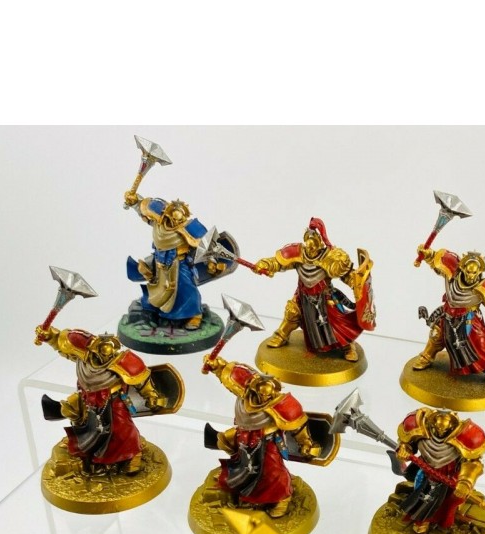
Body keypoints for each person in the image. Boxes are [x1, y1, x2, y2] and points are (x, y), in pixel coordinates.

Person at [202, 356, 320, 517]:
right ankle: (239, 479)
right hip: (243, 435)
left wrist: (306, 442)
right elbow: (227, 373)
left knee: (273, 472)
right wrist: (216, 365)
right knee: (226, 443)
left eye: (268, 396)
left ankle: (282, 499)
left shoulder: (282, 404)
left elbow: (297, 426)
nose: (264, 398)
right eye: (261, 394)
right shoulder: (245, 391)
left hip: (267, 441)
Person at [36, 325, 164, 473]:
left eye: (108, 355)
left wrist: (152, 396)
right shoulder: (84, 357)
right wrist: (49, 335)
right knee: (74, 413)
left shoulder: (124, 362)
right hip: (86, 398)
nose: (103, 358)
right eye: (100, 354)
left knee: (123, 429)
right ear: (94, 350)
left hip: (112, 400)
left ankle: (133, 456)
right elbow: (62, 343)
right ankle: (89, 453)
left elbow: (142, 380)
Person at [253, 218, 374, 361]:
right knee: (292, 312)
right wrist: (265, 264)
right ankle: (281, 335)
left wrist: (356, 284)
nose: (311, 249)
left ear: (320, 242)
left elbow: (347, 275)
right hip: (303, 295)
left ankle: (348, 346)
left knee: (337, 323)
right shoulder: (298, 253)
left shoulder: (330, 257)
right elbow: (278, 263)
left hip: (325, 297)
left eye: (314, 245)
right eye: (308, 244)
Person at [412, 245, 485, 387]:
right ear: (462, 268)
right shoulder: (452, 274)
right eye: (468, 271)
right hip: (447, 314)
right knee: (436, 335)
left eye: (474, 273)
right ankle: (426, 356)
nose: (471, 276)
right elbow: (436, 260)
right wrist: (427, 254)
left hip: (469, 320)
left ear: (480, 271)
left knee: (481, 344)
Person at [124, 193, 216, 329]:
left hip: (180, 263)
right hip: (160, 262)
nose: (175, 222)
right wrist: (135, 202)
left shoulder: (189, 228)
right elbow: (144, 212)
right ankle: (160, 311)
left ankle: (195, 315)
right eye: (172, 218)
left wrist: (211, 261)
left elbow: (206, 245)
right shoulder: (159, 224)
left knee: (187, 288)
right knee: (160, 287)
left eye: (178, 219)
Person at [394, 408, 485, 533]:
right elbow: (406, 442)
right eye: (437, 429)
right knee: (426, 498)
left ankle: (443, 516)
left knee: (450, 499)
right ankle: (422, 520)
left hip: (450, 476)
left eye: (444, 430)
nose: (440, 432)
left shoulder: (466, 434)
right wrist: (404, 449)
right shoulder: (419, 425)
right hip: (426, 474)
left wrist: (466, 482)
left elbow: (473, 462)